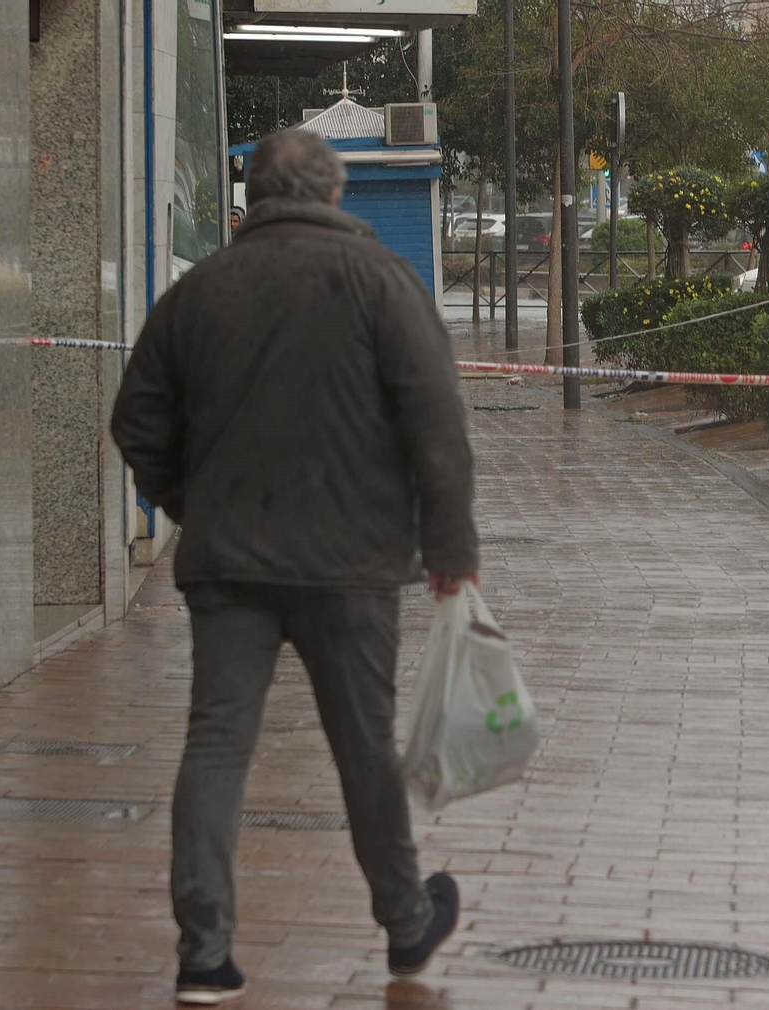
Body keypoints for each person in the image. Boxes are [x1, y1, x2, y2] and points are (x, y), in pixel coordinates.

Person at [111, 128, 478, 1006]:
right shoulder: (382, 281)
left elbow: (137, 420)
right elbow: (437, 420)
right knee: (364, 749)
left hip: (228, 563)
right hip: (351, 566)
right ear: (334, 195)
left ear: (255, 198)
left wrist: (195, 504)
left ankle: (205, 955)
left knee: (215, 745)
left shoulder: (199, 291)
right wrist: (449, 549)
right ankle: (406, 925)